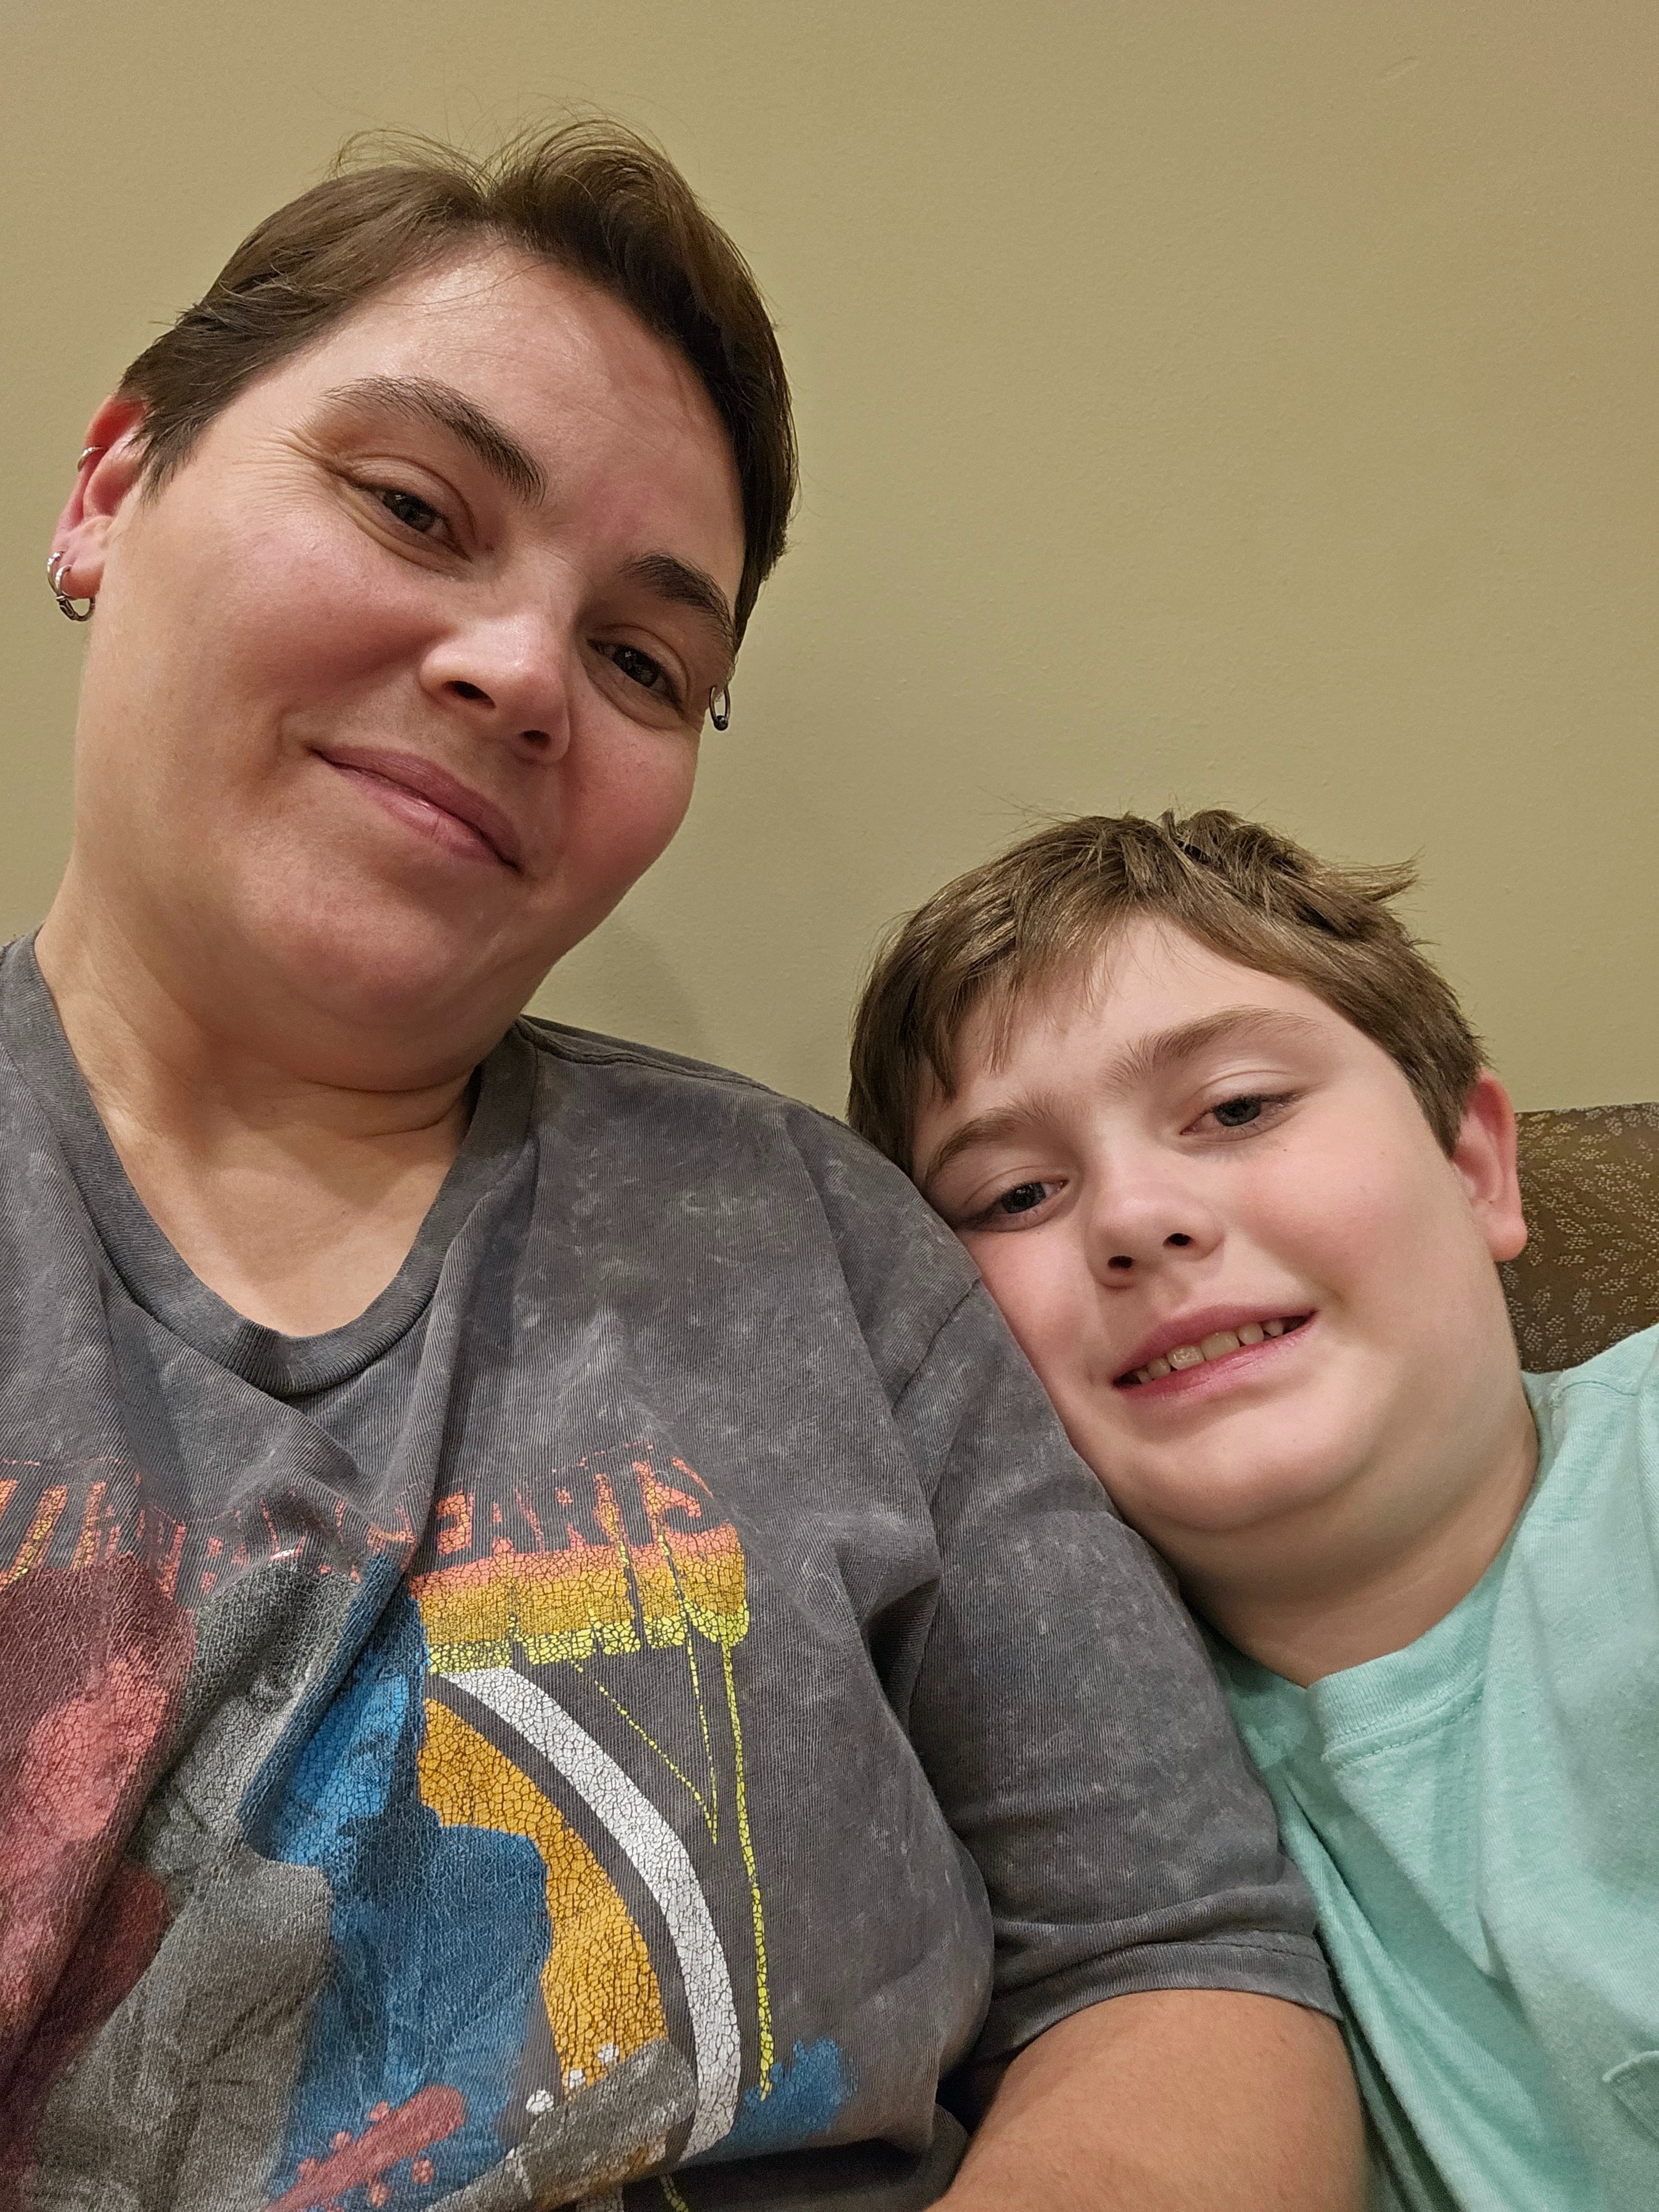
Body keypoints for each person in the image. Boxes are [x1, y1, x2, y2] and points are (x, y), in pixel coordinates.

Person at [0, 132, 1357, 2209]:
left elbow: (1180, 1963)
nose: (521, 672)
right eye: (413, 508)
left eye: (643, 661)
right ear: (113, 486)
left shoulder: (821, 1242)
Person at [849, 805, 1659, 2211]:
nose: (1135, 1217)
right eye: (1017, 1192)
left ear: (1476, 1165)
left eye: (1237, 1109)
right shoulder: (1044, 1797)